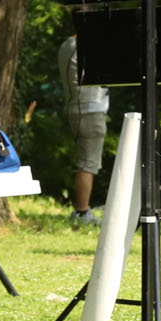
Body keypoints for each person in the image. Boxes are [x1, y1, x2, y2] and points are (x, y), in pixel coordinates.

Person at [56, 27, 110, 227]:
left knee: (86, 161)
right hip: (91, 110)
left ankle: (81, 211)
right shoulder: (86, 46)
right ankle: (82, 212)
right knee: (89, 163)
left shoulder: (67, 44)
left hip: (77, 108)